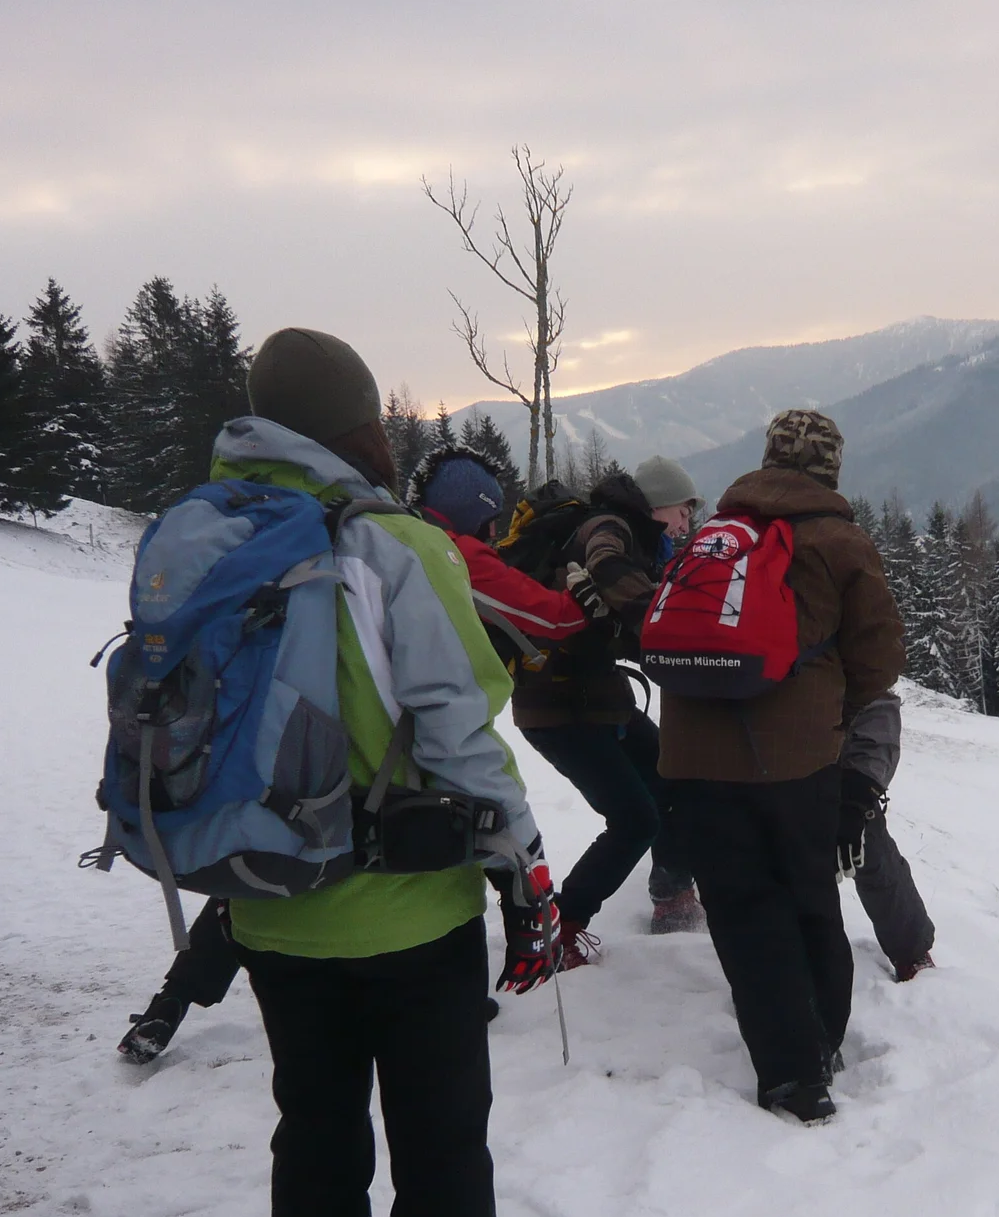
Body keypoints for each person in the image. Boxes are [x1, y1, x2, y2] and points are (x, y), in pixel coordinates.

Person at [215, 327, 539, 1217]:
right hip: (409, 915)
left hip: (268, 904)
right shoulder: (395, 546)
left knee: (313, 1144)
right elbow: (464, 722)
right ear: (355, 426)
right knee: (441, 1157)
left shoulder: (205, 534)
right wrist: (521, 867)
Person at [115, 447, 600, 1066]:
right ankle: (464, 993)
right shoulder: (433, 551)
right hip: (393, 787)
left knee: (262, 859)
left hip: (274, 748)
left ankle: (169, 1005)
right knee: (441, 834)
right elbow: (537, 638)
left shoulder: (304, 536)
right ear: (474, 513)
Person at [658, 411, 904, 1124]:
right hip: (796, 759)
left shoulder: (714, 537)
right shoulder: (839, 540)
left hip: (692, 758)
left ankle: (786, 1071)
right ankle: (819, 1046)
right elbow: (880, 661)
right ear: (830, 467)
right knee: (806, 895)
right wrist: (826, 707)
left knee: (740, 910)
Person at [510, 455, 705, 966]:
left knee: (674, 779)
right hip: (559, 708)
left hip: (599, 699)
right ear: (658, 502)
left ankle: (671, 894)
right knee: (633, 819)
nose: (686, 525)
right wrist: (660, 627)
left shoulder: (637, 537)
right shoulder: (610, 527)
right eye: (682, 512)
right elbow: (606, 566)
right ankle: (561, 930)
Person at [839, 690, 936, 982]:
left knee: (873, 854)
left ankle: (911, 952)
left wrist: (861, 786)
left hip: (835, 770)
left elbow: (875, 697)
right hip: (738, 768)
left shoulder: (845, 648)